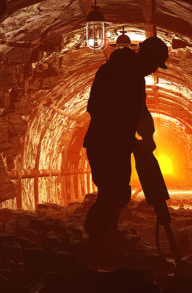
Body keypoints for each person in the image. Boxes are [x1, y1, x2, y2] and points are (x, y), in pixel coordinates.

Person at [82, 36, 169, 262]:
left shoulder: (130, 73)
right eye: (154, 64)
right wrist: (127, 138)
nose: (153, 71)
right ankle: (96, 240)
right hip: (105, 144)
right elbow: (105, 110)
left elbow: (139, 111)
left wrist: (145, 137)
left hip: (115, 145)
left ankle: (104, 240)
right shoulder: (121, 72)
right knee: (114, 193)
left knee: (116, 192)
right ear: (147, 57)